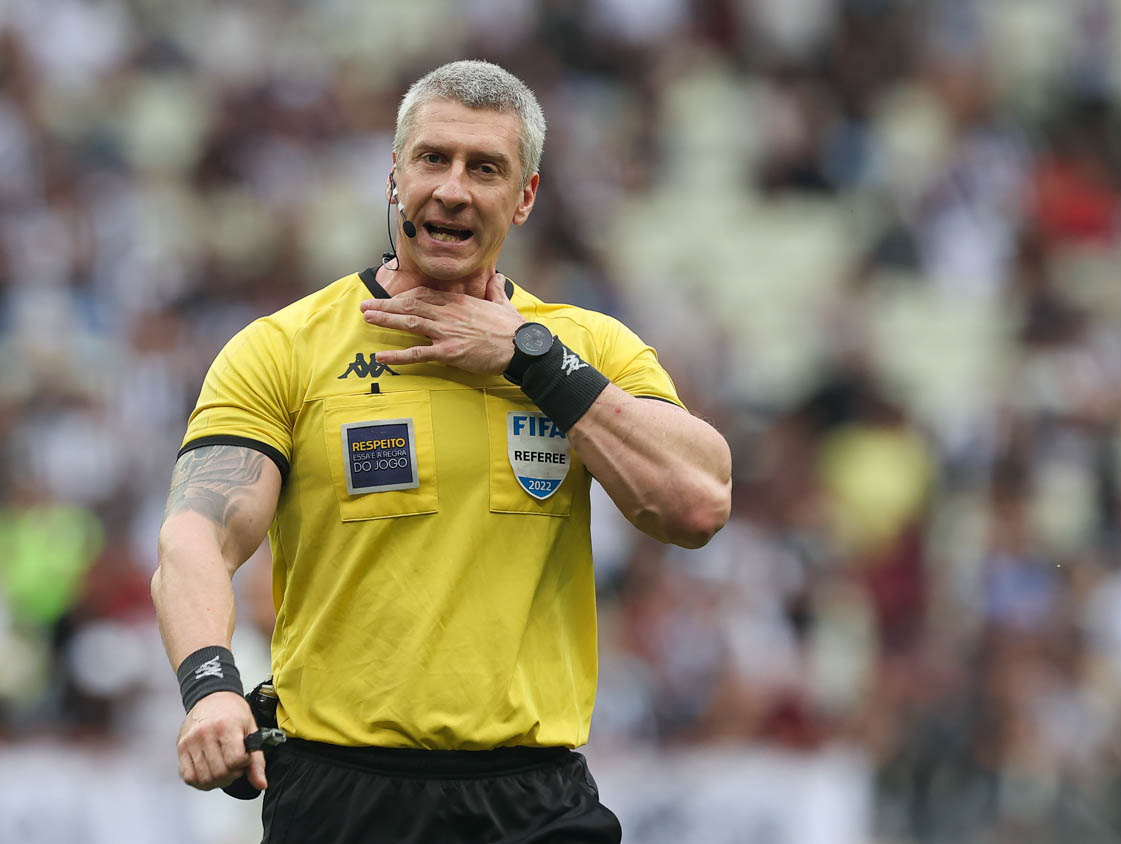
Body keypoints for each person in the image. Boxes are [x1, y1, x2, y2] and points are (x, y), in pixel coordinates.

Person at [152, 59, 732, 843]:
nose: (452, 189)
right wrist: (210, 687)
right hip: (342, 795)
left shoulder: (586, 347)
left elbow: (697, 504)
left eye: (485, 168)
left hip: (535, 798)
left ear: (524, 196)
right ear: (395, 175)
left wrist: (529, 358)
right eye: (433, 159)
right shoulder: (283, 349)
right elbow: (196, 534)